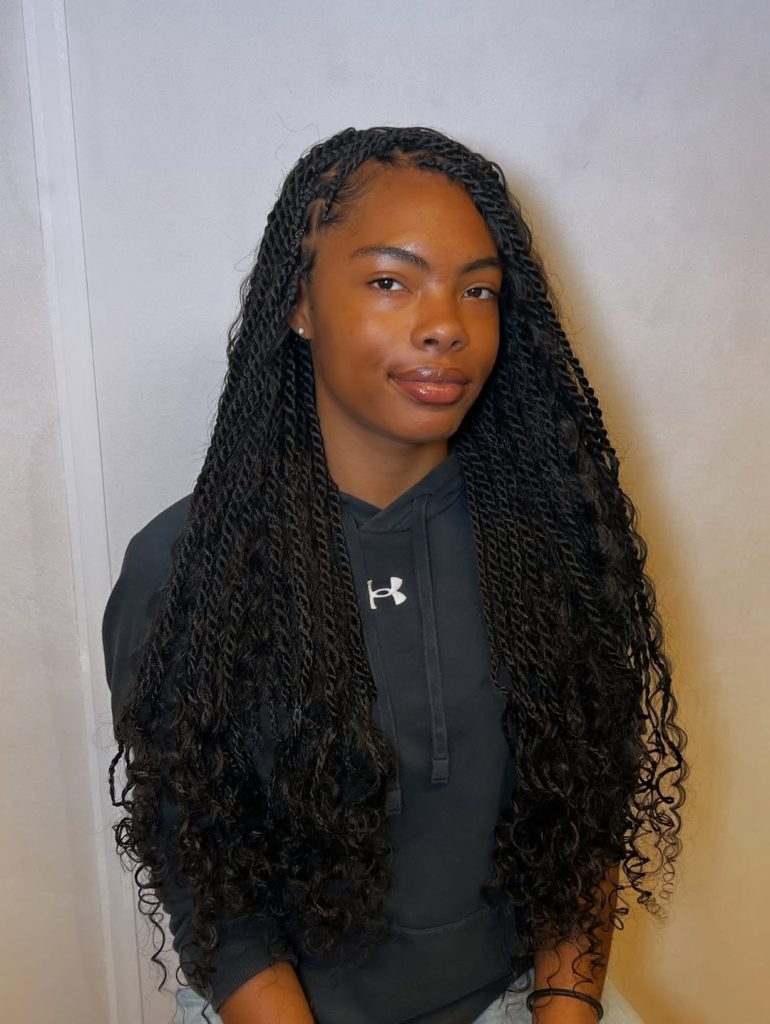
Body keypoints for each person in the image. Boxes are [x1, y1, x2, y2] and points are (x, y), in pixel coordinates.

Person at [102, 126, 687, 1024]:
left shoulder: (554, 548)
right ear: (299, 303)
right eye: (390, 281)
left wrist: (565, 1012)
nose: (447, 324)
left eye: (478, 289)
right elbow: (207, 884)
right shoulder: (185, 570)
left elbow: (581, 821)